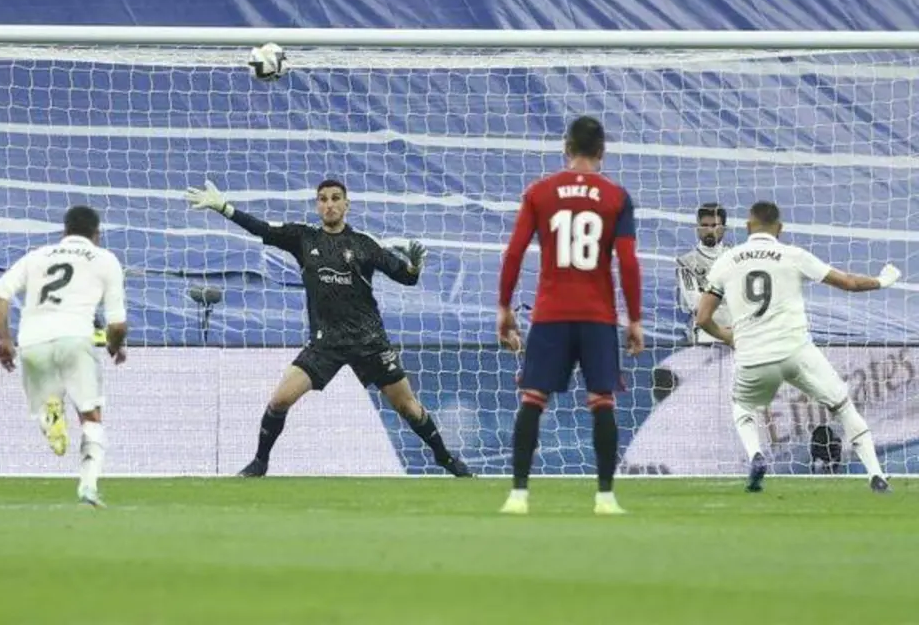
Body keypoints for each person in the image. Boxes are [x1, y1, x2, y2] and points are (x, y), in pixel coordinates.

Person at [187, 178, 471, 478]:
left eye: (336, 198)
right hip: (325, 344)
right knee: (280, 400)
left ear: (346, 204)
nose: (329, 204)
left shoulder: (364, 244)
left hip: (369, 340)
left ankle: (446, 459)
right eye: (323, 199)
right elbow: (263, 229)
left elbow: (407, 278)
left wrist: (414, 266)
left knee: (408, 408)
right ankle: (259, 463)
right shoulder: (303, 238)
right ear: (317, 205)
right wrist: (224, 208)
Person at [695, 201, 896, 493]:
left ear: (748, 227)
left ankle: (756, 455)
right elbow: (849, 283)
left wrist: (728, 337)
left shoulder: (727, 260)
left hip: (754, 353)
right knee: (843, 406)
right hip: (796, 350)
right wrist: (882, 281)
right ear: (779, 228)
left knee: (742, 408)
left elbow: (702, 317)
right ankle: (876, 476)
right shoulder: (794, 255)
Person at [497, 116, 643, 515]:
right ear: (602, 151)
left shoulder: (539, 192)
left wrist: (504, 307)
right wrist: (634, 319)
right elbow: (628, 262)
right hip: (597, 316)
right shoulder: (616, 196)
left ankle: (518, 496)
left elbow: (514, 252)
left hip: (551, 314)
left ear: (566, 148)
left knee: (533, 399)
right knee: (602, 402)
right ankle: (605, 498)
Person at [0, 206, 127, 508]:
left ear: (64, 231)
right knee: (91, 416)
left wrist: (3, 338)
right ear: (97, 235)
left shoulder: (37, 256)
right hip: (75, 338)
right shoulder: (105, 259)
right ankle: (88, 486)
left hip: (32, 341)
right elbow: (117, 325)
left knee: (49, 397)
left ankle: (48, 412)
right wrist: (114, 346)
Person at [676, 203, 732, 344]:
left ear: (724, 228)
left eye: (714, 226)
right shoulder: (686, 263)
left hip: (736, 333)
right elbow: (695, 303)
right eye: (704, 225)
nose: (709, 230)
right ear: (697, 228)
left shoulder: (736, 258)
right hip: (705, 334)